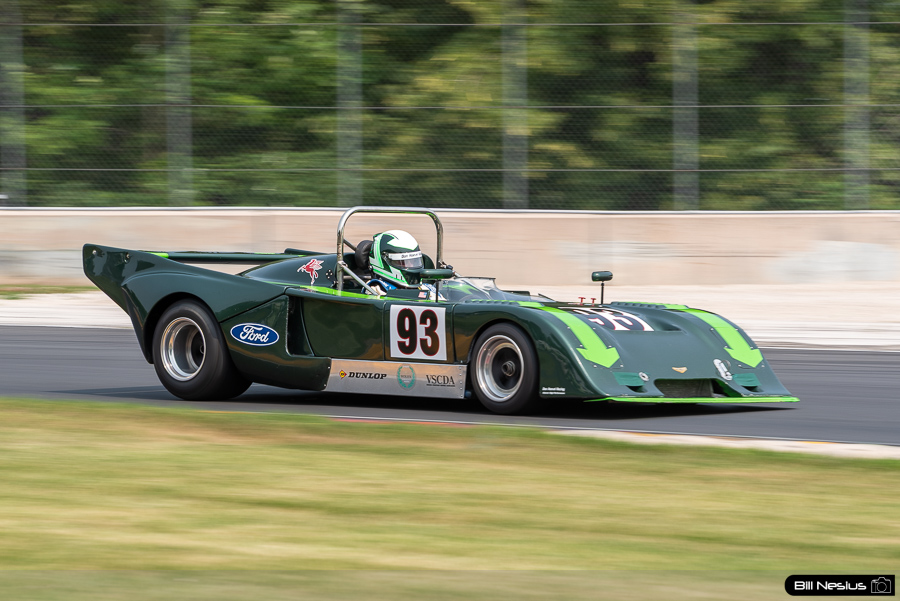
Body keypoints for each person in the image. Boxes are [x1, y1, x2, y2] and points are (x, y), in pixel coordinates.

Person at [366, 230, 438, 300]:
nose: (411, 265)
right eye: (403, 262)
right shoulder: (376, 289)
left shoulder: (427, 288)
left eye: (414, 261)